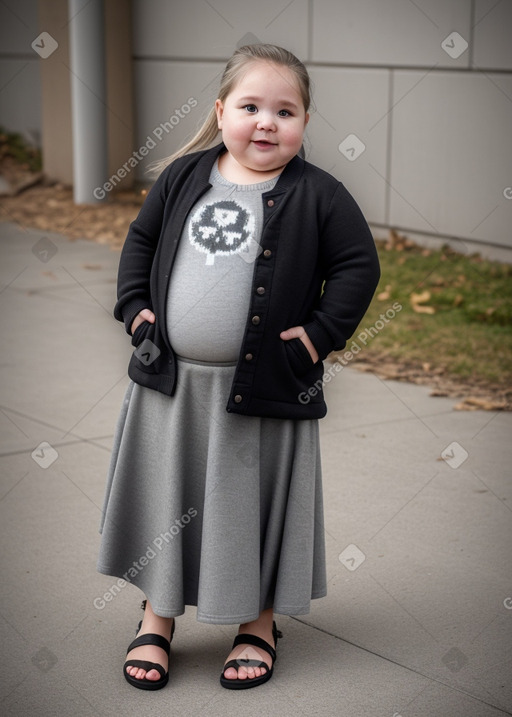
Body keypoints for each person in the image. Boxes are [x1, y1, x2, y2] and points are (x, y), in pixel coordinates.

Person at [96, 43, 380, 692]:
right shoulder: (183, 176)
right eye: (251, 106)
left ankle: (257, 623)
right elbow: (140, 241)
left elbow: (359, 267)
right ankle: (156, 616)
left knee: (250, 509)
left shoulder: (320, 196)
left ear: (305, 123)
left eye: (286, 111)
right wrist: (137, 310)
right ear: (222, 111)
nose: (266, 122)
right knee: (166, 500)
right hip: (171, 384)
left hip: (262, 389)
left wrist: (316, 339)